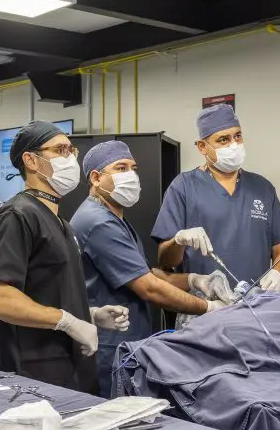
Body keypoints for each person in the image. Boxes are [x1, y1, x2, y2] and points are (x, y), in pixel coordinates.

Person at [0, 121, 130, 395]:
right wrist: (67, 321)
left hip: (70, 372)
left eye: (71, 150)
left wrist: (89, 315)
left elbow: (46, 291)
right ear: (31, 160)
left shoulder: (62, 224)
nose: (70, 158)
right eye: (60, 150)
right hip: (32, 376)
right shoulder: (17, 215)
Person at [70, 140, 231, 397]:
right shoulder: (98, 222)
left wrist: (194, 280)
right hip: (110, 347)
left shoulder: (113, 218)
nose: (131, 175)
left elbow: (145, 272)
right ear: (96, 178)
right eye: (121, 168)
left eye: (133, 168)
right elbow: (149, 288)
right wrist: (209, 308)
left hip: (126, 342)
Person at [152, 104, 280, 291]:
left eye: (237, 136)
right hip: (203, 303)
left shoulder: (263, 188)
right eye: (223, 139)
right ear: (202, 147)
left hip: (255, 301)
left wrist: (278, 273)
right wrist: (178, 241)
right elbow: (166, 260)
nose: (233, 145)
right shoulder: (183, 187)